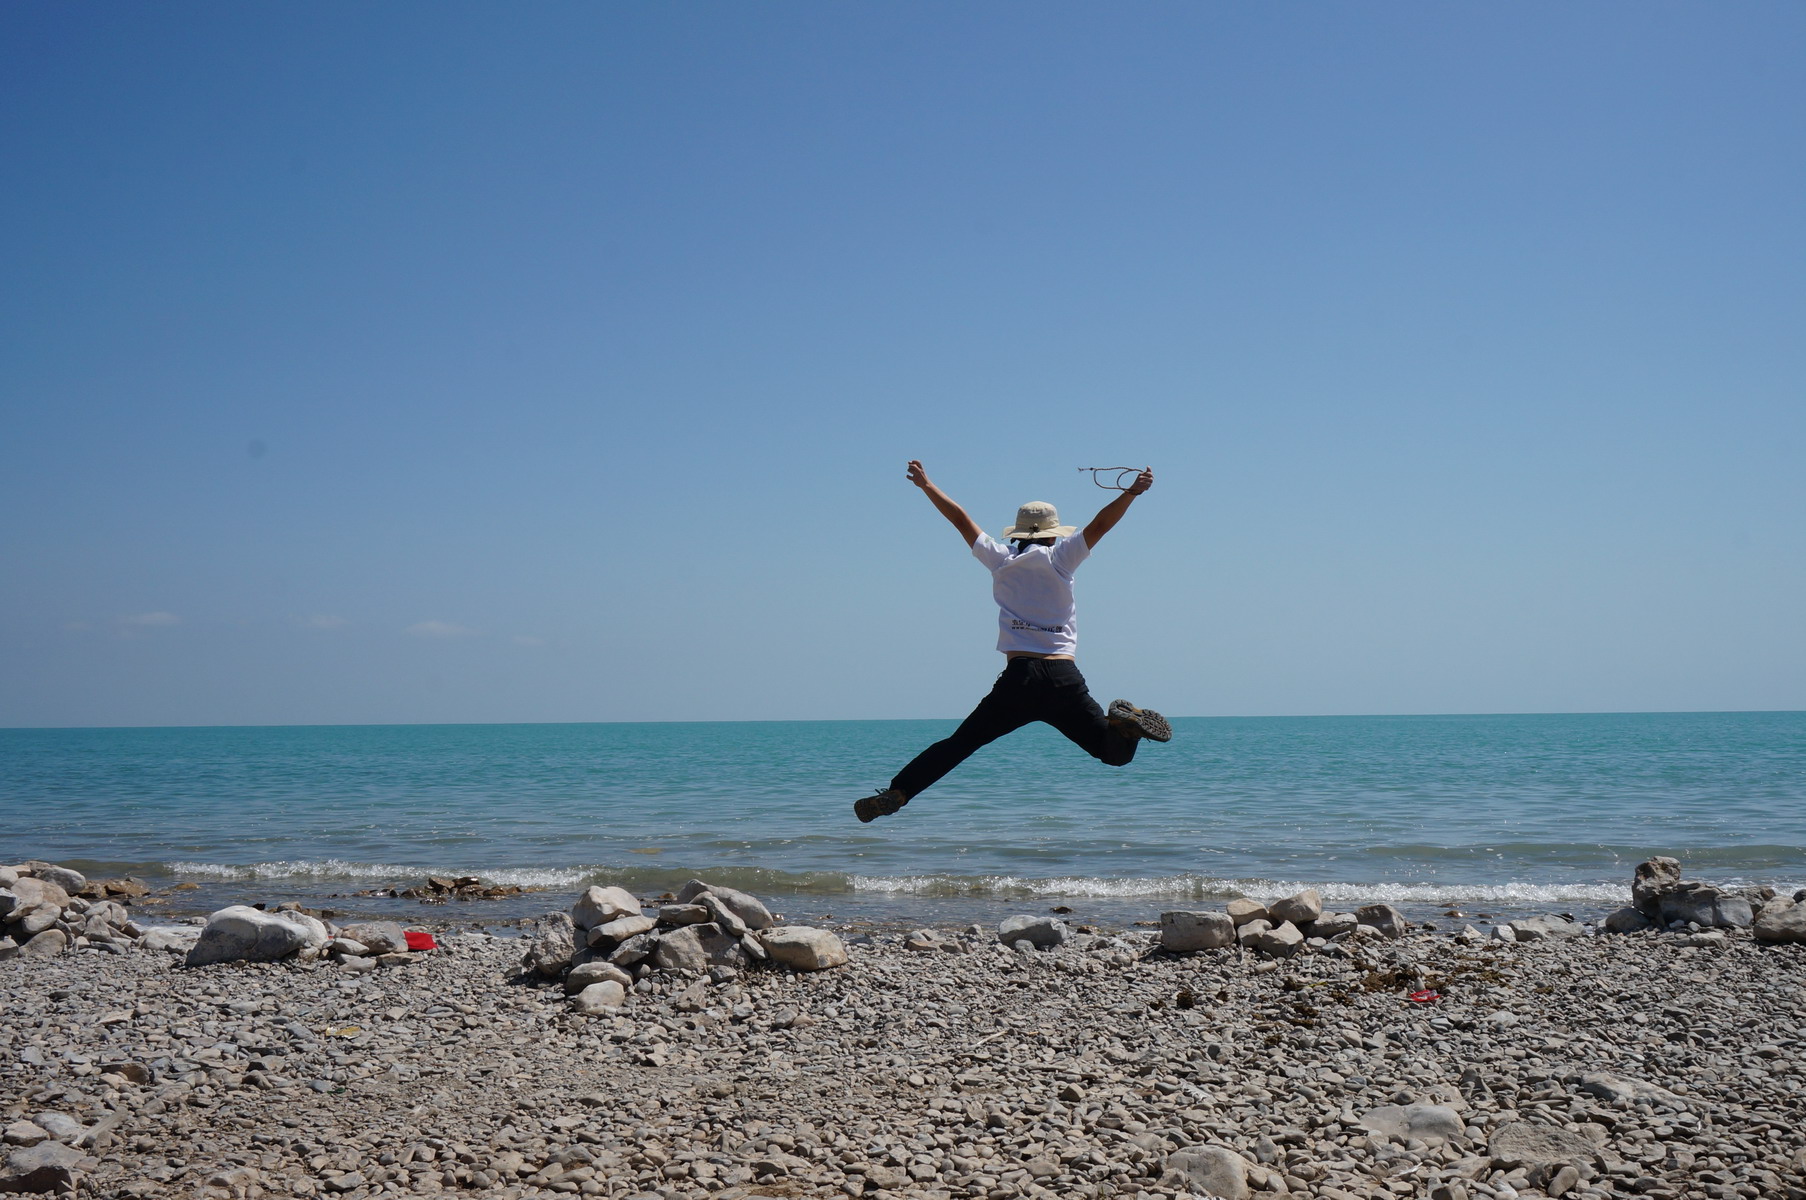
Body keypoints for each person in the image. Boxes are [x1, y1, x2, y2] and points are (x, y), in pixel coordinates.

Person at [855, 460, 1172, 823]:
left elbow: (960, 519)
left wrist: (927, 486)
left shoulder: (1001, 559)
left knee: (961, 744)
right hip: (1063, 679)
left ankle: (899, 793)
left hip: (1019, 681)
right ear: (1054, 534)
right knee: (1113, 755)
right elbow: (1100, 526)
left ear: (1018, 533)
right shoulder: (1061, 558)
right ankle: (1123, 726)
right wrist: (1131, 492)